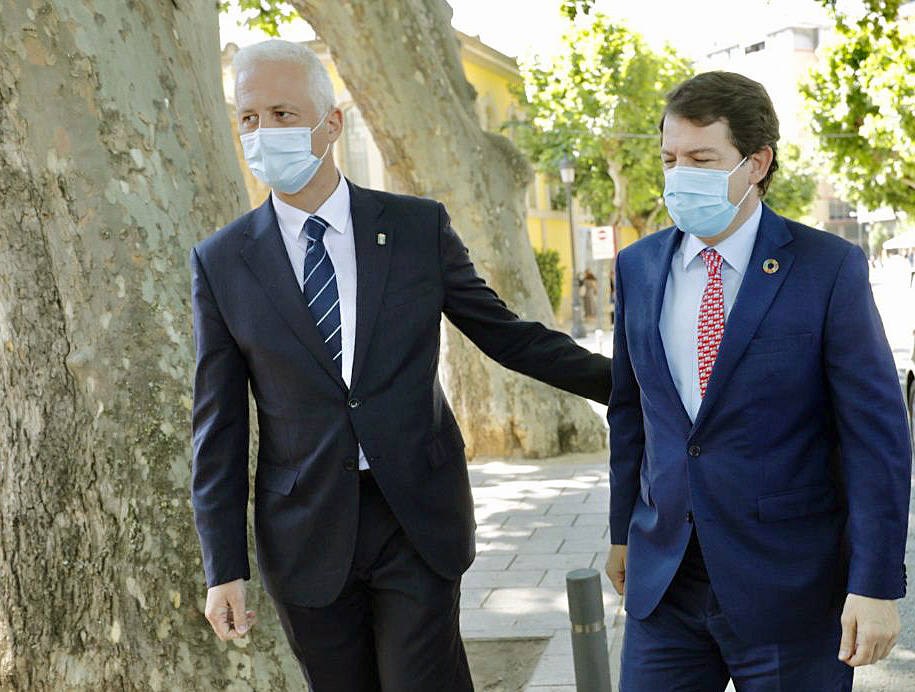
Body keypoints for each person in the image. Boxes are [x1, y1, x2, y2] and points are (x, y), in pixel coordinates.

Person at [190, 40, 611, 691]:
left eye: (282, 113)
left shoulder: (416, 228)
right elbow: (218, 426)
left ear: (330, 124)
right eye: (248, 118)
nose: (263, 132)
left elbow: (508, 336)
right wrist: (223, 567)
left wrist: (633, 384)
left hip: (415, 514)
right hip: (303, 533)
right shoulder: (221, 262)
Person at [606, 71, 911, 691]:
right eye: (669, 158)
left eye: (701, 158)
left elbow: (875, 437)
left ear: (756, 162)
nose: (678, 175)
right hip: (666, 586)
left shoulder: (828, 268)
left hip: (791, 593)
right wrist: (621, 535)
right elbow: (631, 412)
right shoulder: (638, 267)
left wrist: (875, 586)